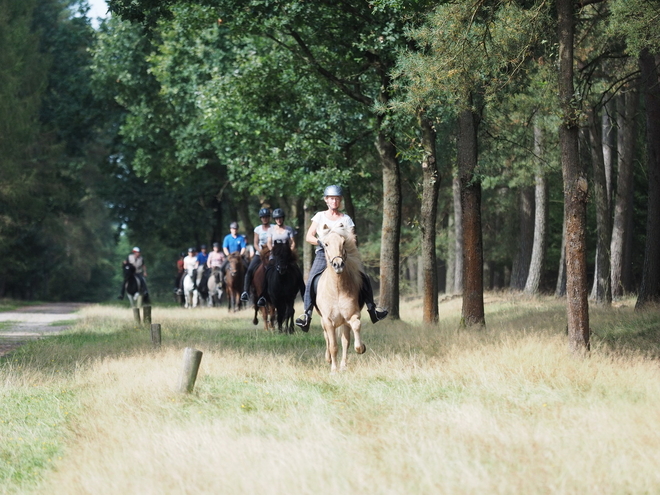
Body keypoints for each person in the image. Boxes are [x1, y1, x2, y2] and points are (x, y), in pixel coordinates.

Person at [295, 185, 388, 331]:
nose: (334, 201)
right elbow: (309, 236)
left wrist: (343, 248)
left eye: (337, 199)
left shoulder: (346, 219)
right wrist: (322, 242)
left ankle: (372, 310)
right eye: (332, 199)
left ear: (341, 201)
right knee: (312, 280)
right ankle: (307, 314)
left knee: (364, 277)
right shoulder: (319, 216)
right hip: (323, 253)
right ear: (326, 200)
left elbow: (352, 239)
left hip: (343, 255)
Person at [256, 208, 298, 307]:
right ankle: (263, 295)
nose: (278, 220)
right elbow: (269, 242)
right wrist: (273, 252)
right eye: (276, 219)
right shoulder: (271, 230)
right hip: (275, 255)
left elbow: (293, 242)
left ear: (283, 218)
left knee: (296, 269)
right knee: (267, 271)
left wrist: (289, 251)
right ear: (275, 220)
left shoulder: (289, 229)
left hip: (286, 255)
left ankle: (303, 291)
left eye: (280, 218)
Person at [241, 208, 273, 302]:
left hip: (271, 254)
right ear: (261, 218)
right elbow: (255, 243)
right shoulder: (257, 229)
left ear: (269, 218)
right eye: (263, 217)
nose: (265, 219)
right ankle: (246, 292)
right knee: (250, 270)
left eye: (266, 217)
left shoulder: (273, 227)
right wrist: (261, 252)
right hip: (260, 254)